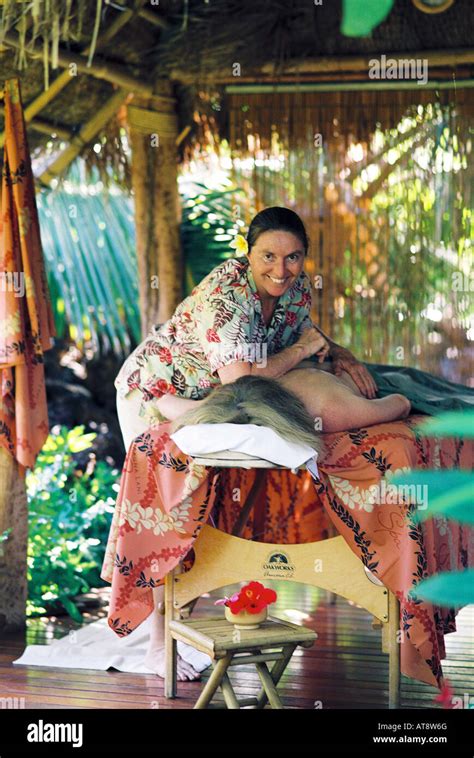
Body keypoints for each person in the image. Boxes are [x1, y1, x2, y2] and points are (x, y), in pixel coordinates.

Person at [114, 205, 411, 680]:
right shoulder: (227, 295)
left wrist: (343, 356)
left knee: (205, 510)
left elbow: (313, 338)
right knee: (168, 508)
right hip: (157, 394)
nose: (281, 268)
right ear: (247, 254)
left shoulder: (294, 292)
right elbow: (241, 380)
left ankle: (181, 630)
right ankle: (156, 645)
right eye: (268, 256)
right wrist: (299, 354)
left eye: (293, 258)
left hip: (215, 403)